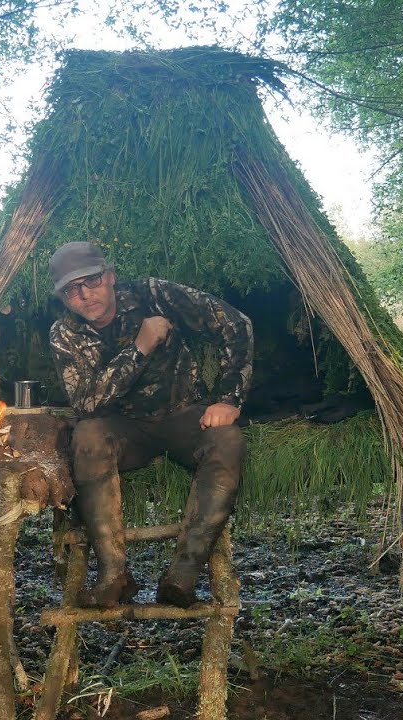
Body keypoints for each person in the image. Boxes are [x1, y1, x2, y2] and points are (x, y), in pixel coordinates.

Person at [48, 241, 253, 609]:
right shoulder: (65, 334)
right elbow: (86, 402)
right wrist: (140, 347)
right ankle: (113, 575)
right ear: (63, 297)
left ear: (110, 277)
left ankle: (184, 573)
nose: (84, 295)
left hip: (182, 413)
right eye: (71, 290)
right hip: (120, 428)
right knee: (87, 436)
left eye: (91, 282)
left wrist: (228, 399)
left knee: (226, 440)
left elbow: (235, 323)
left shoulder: (154, 294)